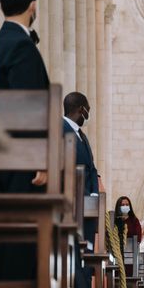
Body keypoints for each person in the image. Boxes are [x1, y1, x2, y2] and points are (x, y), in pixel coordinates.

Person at [0, 0, 49, 288]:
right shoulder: (22, 47)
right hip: (17, 157)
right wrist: (39, 160)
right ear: (32, 6)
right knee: (22, 222)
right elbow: (29, 110)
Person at [63, 91, 99, 241]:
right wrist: (83, 193)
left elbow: (92, 168)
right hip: (72, 199)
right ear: (81, 109)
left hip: (88, 203)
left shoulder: (82, 136)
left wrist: (95, 194)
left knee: (87, 245)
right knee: (77, 247)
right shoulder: (60, 128)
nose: (88, 115)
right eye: (87, 110)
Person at [114, 196, 142, 276]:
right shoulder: (114, 221)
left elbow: (138, 238)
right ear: (119, 206)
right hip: (116, 257)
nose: (125, 206)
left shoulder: (134, 221)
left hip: (131, 259)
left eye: (127, 204)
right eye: (123, 205)